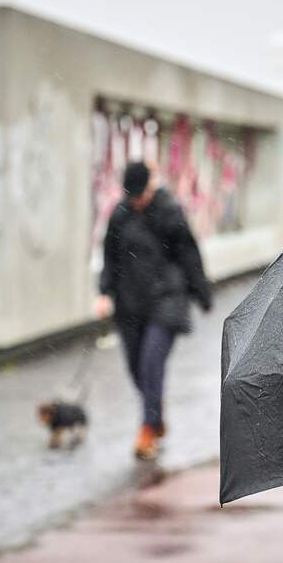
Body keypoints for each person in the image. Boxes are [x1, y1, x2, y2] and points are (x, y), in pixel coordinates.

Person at [95, 161, 212, 460]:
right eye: (131, 196)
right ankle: (156, 414)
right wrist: (103, 291)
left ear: (150, 187)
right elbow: (109, 256)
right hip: (129, 302)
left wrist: (201, 291)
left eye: (140, 195)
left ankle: (147, 431)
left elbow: (188, 252)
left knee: (151, 364)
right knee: (136, 367)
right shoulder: (120, 215)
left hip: (166, 300)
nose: (136, 201)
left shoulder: (168, 211)